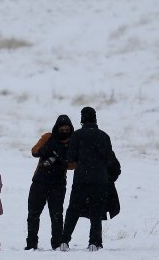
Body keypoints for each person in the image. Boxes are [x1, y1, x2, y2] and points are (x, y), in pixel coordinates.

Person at [59, 107, 114, 252]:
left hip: (81, 179)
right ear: (95, 119)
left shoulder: (76, 136)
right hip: (100, 180)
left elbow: (70, 158)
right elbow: (110, 159)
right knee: (96, 211)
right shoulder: (104, 136)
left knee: (73, 210)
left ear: (82, 119)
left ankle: (64, 241)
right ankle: (94, 243)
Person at [25, 114, 74, 250]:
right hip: (39, 181)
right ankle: (31, 244)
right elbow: (34, 151)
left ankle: (57, 243)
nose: (64, 132)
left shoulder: (73, 141)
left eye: (67, 130)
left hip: (58, 184)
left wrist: (63, 162)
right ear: (57, 128)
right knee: (33, 214)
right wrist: (44, 150)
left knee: (57, 215)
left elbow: (74, 164)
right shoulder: (47, 137)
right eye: (62, 130)